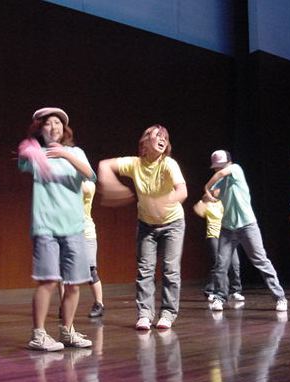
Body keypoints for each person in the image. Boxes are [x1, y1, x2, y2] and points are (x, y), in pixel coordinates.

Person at [18, 107, 94, 351]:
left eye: (58, 123)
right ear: (41, 129)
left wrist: (65, 155)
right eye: (48, 123)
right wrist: (29, 149)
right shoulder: (36, 153)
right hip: (46, 227)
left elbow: (90, 175)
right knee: (48, 281)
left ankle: (67, 331)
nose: (54, 127)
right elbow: (23, 161)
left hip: (74, 226)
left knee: (74, 283)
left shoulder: (76, 152)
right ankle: (38, 334)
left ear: (65, 129)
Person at [98, 124, 187, 330]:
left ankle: (168, 314)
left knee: (170, 270)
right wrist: (112, 185)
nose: (162, 139)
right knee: (145, 270)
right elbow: (104, 165)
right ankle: (145, 314)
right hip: (147, 224)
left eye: (165, 137)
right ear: (145, 141)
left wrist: (165, 201)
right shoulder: (135, 164)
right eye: (157, 135)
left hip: (173, 224)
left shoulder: (169, 164)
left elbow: (182, 191)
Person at [204, 150, 287, 312]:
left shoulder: (236, 169)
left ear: (228, 163)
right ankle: (220, 297)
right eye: (216, 167)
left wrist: (206, 187)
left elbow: (219, 175)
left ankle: (280, 297)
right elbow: (212, 193)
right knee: (221, 264)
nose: (217, 169)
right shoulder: (220, 182)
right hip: (228, 228)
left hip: (247, 225)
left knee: (261, 261)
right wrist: (209, 195)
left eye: (220, 166)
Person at [193, 194, 244, 302]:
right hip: (214, 235)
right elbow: (197, 209)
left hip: (228, 236)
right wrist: (205, 200)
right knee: (218, 263)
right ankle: (211, 291)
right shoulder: (208, 204)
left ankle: (235, 291)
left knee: (235, 263)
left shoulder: (225, 201)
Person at [82, 180, 105, 317]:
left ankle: (99, 304)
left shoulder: (89, 184)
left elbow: (85, 189)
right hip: (68, 232)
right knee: (64, 273)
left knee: (91, 270)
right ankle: (64, 305)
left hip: (86, 233)